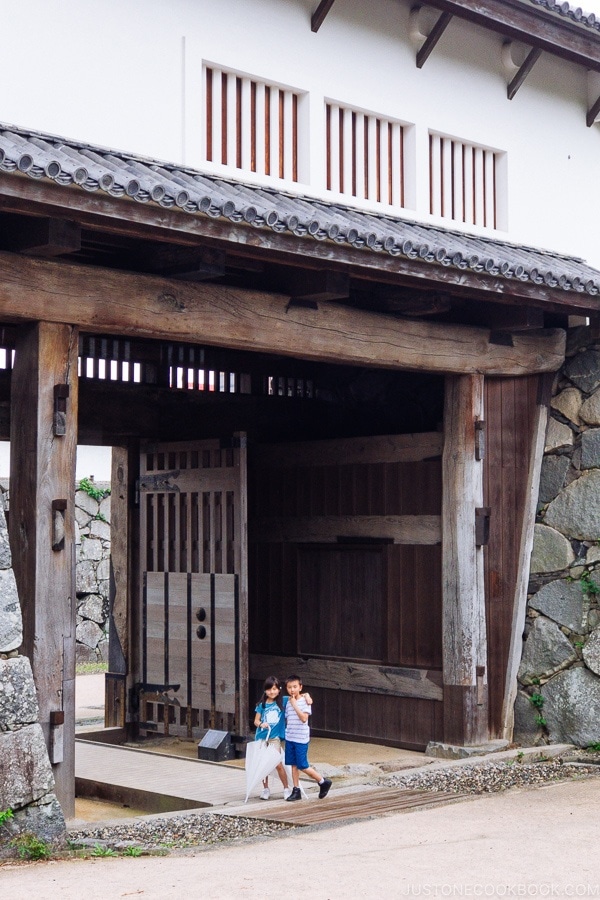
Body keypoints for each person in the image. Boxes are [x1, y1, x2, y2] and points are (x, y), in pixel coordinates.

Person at [284, 674, 332, 802]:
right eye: (289, 687)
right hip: (290, 737)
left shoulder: (304, 701)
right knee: (293, 765)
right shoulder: (287, 701)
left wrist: (298, 702)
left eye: (295, 687)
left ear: (300, 687)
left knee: (302, 765)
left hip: (301, 738)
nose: (292, 690)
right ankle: (296, 790)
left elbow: (304, 718)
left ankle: (323, 781)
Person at [253, 676, 291, 800]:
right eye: (269, 689)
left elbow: (296, 697)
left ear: (279, 690)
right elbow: (256, 721)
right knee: (264, 764)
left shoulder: (283, 701)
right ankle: (265, 789)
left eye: (274, 689)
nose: (272, 692)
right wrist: (261, 724)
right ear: (265, 690)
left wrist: (307, 696)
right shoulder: (262, 705)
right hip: (262, 737)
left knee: (278, 763)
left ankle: (286, 788)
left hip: (275, 738)